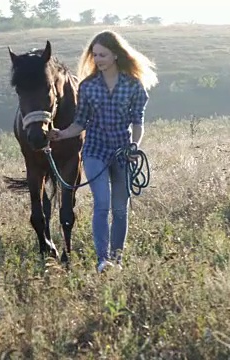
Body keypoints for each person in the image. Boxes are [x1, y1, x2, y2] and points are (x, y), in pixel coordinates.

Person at [47, 30, 158, 274]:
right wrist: (62, 134)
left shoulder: (133, 86)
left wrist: (134, 145)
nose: (98, 59)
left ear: (116, 55)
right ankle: (102, 261)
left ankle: (117, 261)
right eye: (95, 55)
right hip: (95, 150)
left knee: (120, 208)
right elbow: (80, 123)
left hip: (122, 151)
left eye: (103, 55)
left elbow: (138, 123)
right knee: (102, 204)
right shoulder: (88, 87)